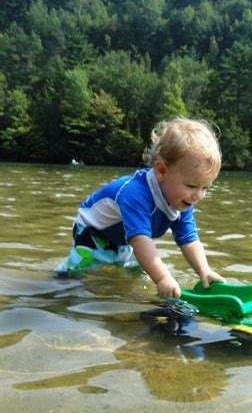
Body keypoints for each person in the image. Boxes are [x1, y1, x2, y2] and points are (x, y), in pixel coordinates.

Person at [56, 117, 224, 298]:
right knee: (75, 277)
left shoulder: (182, 200)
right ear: (161, 171)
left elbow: (189, 239)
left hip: (122, 237)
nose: (199, 195)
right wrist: (163, 279)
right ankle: (53, 285)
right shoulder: (135, 193)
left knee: (138, 272)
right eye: (191, 186)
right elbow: (140, 240)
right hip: (92, 232)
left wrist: (203, 270)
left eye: (205, 187)